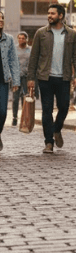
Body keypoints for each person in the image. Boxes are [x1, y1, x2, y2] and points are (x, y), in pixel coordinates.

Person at [27, 3, 76, 154]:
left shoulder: (71, 34)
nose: (49, 15)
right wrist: (31, 77)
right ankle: (49, 142)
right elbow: (34, 57)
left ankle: (57, 129)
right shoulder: (41, 33)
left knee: (64, 107)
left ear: (61, 16)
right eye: (48, 13)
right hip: (45, 78)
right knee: (47, 110)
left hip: (64, 78)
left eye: (52, 13)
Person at [0, 12, 20, 150]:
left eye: (2, 18)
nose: (1, 20)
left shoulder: (9, 39)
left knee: (2, 112)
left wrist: (16, 81)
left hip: (3, 80)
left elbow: (14, 61)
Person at [12, 31, 31, 126]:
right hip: (16, 77)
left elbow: (32, 63)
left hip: (26, 77)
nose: (21, 40)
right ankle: (14, 117)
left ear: (26, 39)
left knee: (25, 98)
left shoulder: (30, 50)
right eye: (19, 38)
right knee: (15, 98)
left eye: (23, 38)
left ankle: (24, 118)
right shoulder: (14, 49)